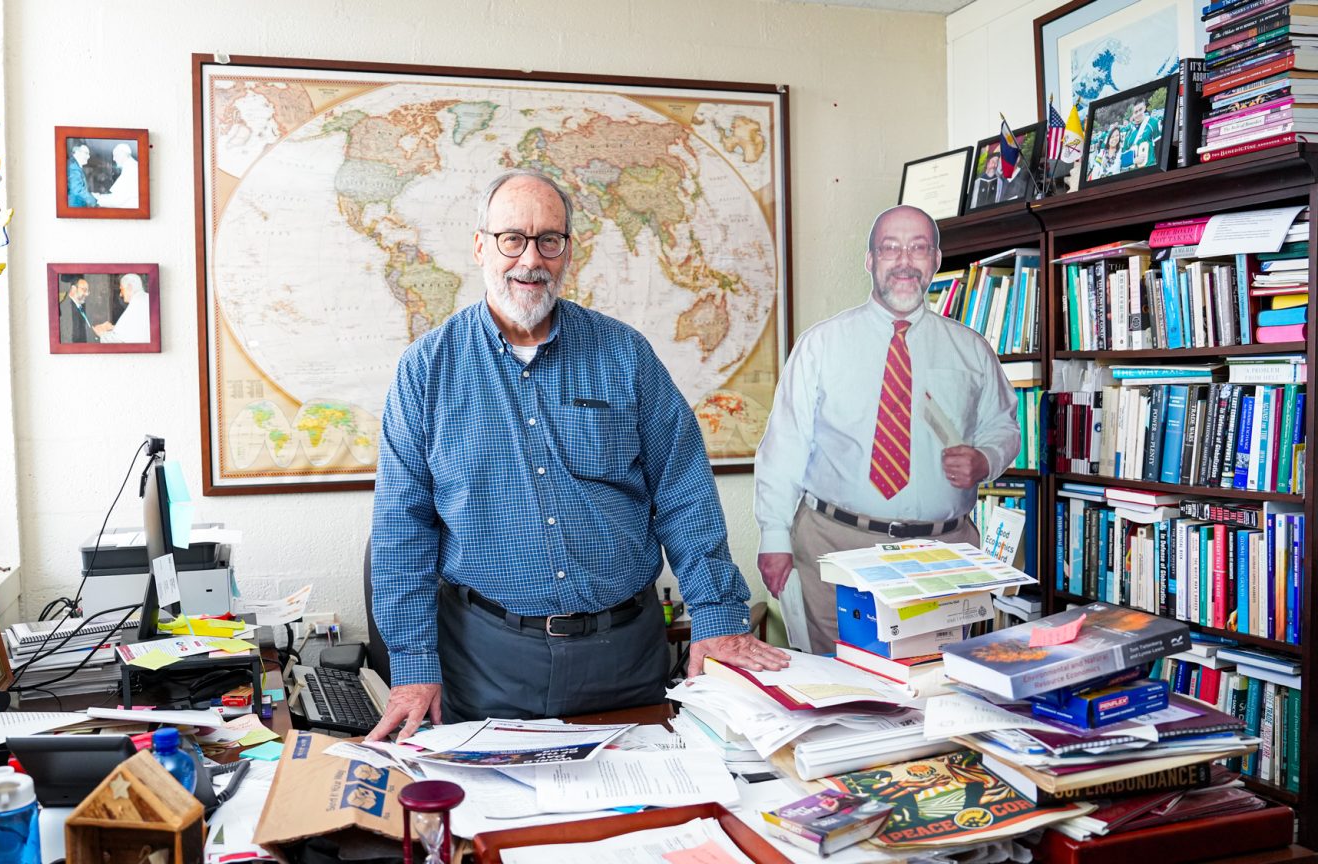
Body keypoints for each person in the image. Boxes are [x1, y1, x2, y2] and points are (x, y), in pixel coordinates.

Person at [367, 168, 787, 740]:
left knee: (643, 815)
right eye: (511, 239)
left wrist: (716, 616)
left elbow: (683, 490)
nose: (529, 259)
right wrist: (414, 667)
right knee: (498, 825)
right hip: (488, 663)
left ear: (568, 251)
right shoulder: (426, 370)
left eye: (549, 241)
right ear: (480, 247)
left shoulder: (624, 354)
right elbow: (402, 528)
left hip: (625, 658)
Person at [753, 205, 1020, 654]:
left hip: (943, 552)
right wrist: (774, 536)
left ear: (935, 260)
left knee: (932, 685)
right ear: (870, 260)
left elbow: (1003, 426)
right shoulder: (822, 345)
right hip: (835, 546)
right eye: (890, 248)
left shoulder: (971, 349)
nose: (903, 260)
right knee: (844, 692)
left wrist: (985, 458)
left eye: (918, 248)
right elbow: (785, 445)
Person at [95, 273, 150, 343]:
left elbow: (118, 340)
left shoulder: (137, 303)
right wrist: (113, 327)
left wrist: (101, 333)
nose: (120, 294)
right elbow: (135, 330)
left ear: (129, 287)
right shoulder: (145, 298)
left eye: (121, 289)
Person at [1124, 100, 1161, 169]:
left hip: (1150, 169)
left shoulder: (1153, 123)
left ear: (1144, 108)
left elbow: (1159, 148)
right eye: (1135, 112)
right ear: (1132, 114)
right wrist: (1133, 160)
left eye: (1140, 110)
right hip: (1135, 174)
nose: (1138, 114)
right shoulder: (1129, 132)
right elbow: (1123, 160)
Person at [59, 278, 95, 343]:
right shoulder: (65, 309)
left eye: (88, 291)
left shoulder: (82, 306)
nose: (87, 294)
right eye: (84, 290)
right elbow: (68, 339)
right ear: (73, 289)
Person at [67, 143, 97, 207]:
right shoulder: (73, 167)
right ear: (77, 152)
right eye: (86, 153)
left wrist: (91, 195)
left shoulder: (75, 166)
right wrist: (94, 201)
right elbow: (77, 190)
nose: (89, 156)